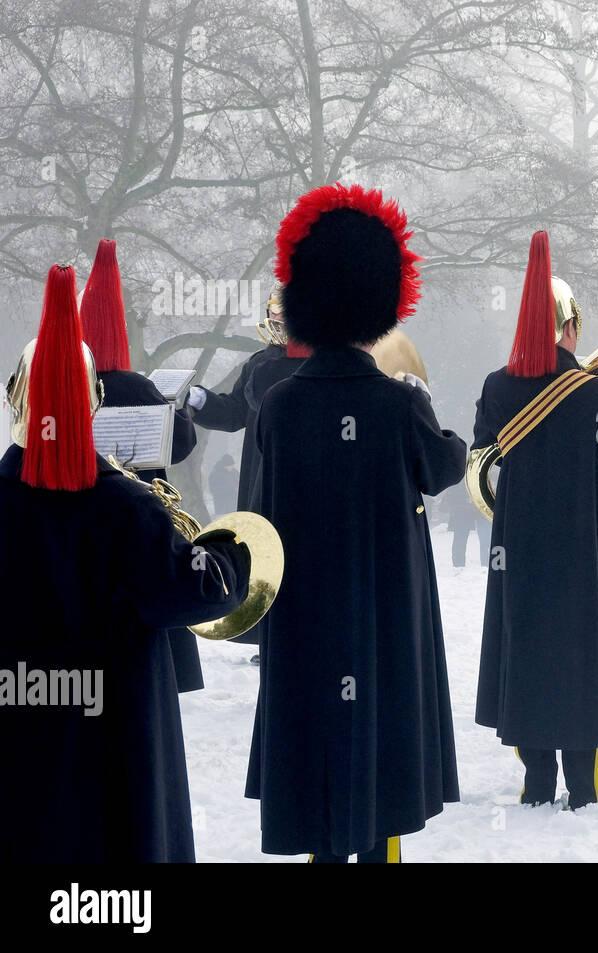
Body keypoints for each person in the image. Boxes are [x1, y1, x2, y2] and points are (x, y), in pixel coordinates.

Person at [244, 183, 466, 862]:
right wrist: (430, 408)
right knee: (380, 762)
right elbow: (447, 465)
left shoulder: (278, 406)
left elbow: (263, 508)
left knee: (314, 764)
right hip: (381, 616)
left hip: (304, 619)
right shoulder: (399, 405)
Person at [0, 263, 250, 862]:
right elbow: (191, 595)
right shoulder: (126, 506)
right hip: (114, 733)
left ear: (18, 399)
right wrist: (228, 555)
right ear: (92, 401)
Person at [474, 231, 598, 809]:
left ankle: (536, 781)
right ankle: (583, 785)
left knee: (526, 650)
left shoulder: (496, 388)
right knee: (581, 657)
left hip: (519, 548)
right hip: (585, 550)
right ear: (571, 326)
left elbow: (482, 457)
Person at [80, 238, 205, 692]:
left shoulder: (72, 388)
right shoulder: (138, 385)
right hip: (146, 524)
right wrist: (175, 409)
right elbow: (183, 446)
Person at [186, 286, 310, 663]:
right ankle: (270, 635)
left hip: (306, 473)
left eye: (282, 313)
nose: (276, 319)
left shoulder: (319, 362)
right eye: (273, 312)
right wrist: (200, 400)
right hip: (261, 472)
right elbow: (235, 413)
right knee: (266, 554)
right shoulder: (257, 362)